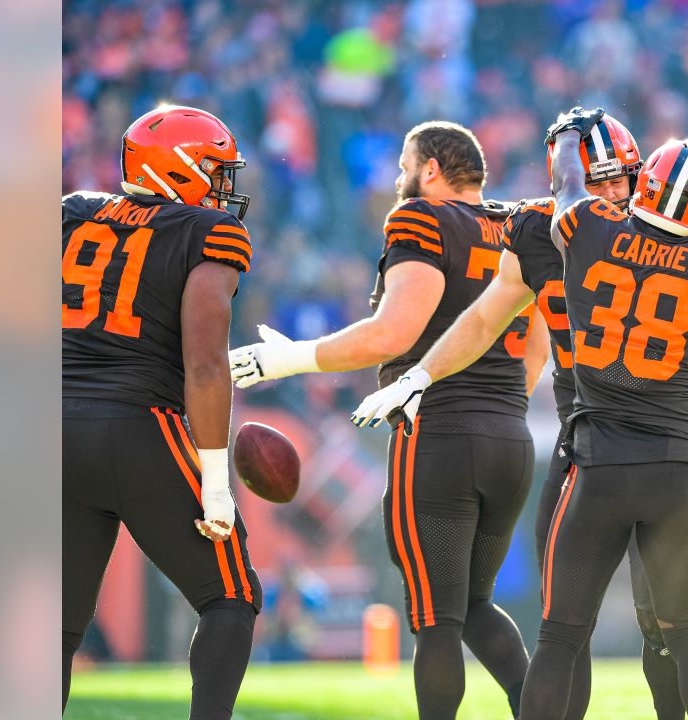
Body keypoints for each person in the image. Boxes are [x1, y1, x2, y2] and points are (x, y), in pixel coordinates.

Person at [349, 113, 684, 719]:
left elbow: (445, 326)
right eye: (599, 178)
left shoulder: (531, 224)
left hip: (559, 444)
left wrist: (291, 358)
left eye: (618, 180)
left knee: (646, 631)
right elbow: (499, 327)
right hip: (615, 442)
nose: (609, 193)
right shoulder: (551, 224)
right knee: (573, 628)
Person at [230, 121, 548, 719]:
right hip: (509, 436)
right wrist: (500, 408)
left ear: (431, 170)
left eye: (405, 165)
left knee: (438, 621)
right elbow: (540, 343)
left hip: (439, 437)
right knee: (474, 604)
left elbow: (393, 333)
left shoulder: (420, 216)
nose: (399, 178)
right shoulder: (521, 225)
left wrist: (287, 359)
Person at [494, 107, 688, 720]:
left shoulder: (591, 232)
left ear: (643, 181)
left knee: (559, 639)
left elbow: (570, 193)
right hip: (675, 468)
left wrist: (568, 144)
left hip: (599, 465)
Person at [62, 104, 261, 719]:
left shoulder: (70, 212)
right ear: (177, 168)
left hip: (52, 427)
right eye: (213, 168)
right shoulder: (203, 230)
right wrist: (216, 480)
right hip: (139, 425)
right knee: (231, 595)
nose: (223, 183)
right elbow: (205, 363)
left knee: (58, 624)